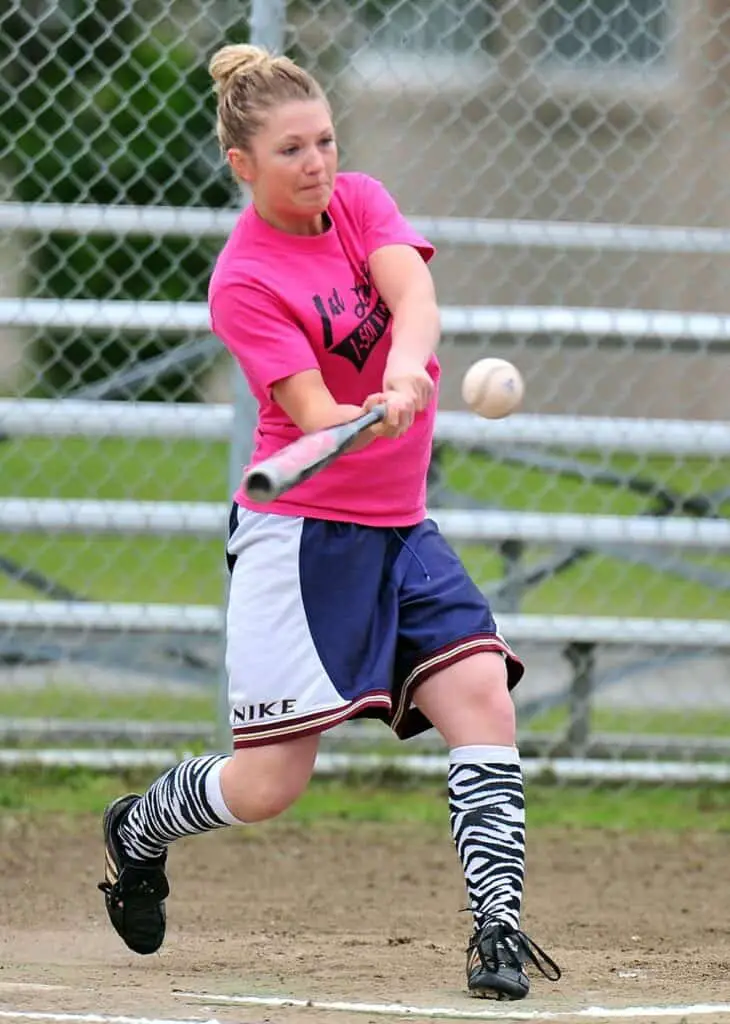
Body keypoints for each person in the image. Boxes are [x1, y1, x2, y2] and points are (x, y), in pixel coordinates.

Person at [97, 42, 561, 1002]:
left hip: (401, 525)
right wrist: (363, 414)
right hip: (304, 538)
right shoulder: (246, 278)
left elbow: (414, 295)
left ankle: (499, 930)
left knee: (483, 699)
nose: (317, 164)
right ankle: (138, 829)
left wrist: (405, 369)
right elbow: (310, 418)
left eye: (325, 142)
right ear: (243, 165)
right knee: (269, 787)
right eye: (291, 151)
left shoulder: (358, 201)